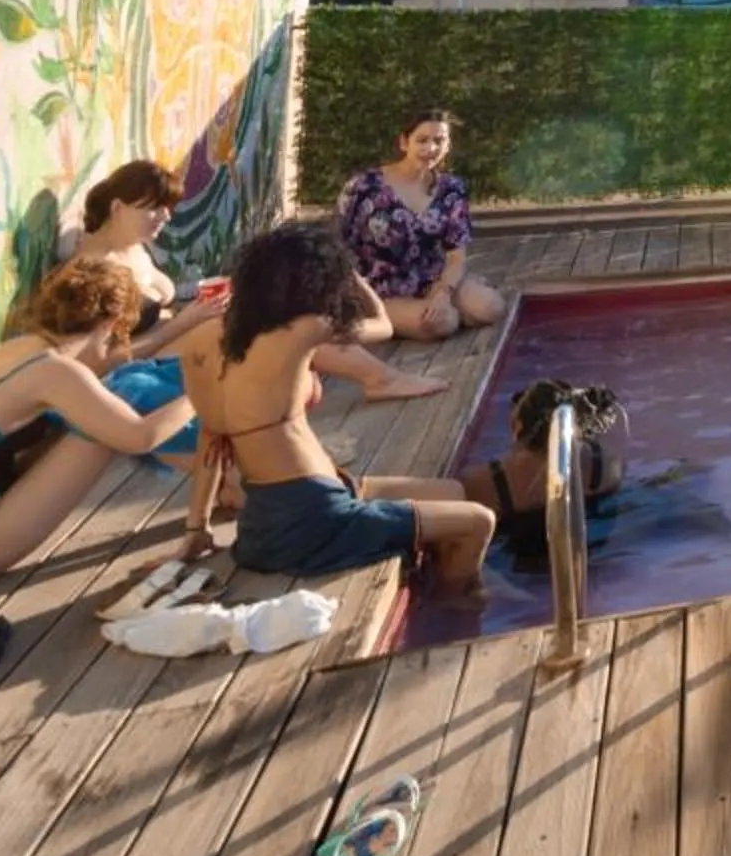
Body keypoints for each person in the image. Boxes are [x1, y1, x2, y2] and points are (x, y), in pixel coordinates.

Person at [177, 222, 492, 589]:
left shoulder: (197, 341)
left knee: (452, 492)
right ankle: (457, 604)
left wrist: (196, 528)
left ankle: (430, 564)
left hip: (263, 523)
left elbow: (211, 442)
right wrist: (352, 276)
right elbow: (382, 324)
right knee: (479, 520)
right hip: (317, 520)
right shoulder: (304, 328)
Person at [0, 261, 197, 586]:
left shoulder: (22, 349)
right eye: (118, 335)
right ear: (109, 325)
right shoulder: (57, 373)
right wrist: (197, 392)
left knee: (98, 410)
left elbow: (105, 365)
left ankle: (223, 486)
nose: (117, 345)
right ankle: (229, 486)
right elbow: (141, 437)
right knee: (116, 416)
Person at [74, 159, 444, 417]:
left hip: (182, 331)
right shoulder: (91, 270)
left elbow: (165, 296)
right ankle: (379, 376)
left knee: (278, 306)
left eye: (167, 208)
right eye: (154, 208)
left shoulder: (131, 243)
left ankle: (377, 373)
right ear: (119, 206)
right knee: (276, 324)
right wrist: (185, 321)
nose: (165, 218)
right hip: (146, 363)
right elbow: (98, 362)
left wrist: (211, 292)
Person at [337, 110, 505, 341]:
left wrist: (444, 292)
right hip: (382, 286)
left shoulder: (451, 189)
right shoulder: (364, 186)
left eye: (439, 141)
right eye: (422, 140)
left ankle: (446, 305)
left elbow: (457, 256)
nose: (431, 148)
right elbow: (338, 247)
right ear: (404, 143)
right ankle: (399, 315)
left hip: (431, 278)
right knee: (443, 323)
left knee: (491, 307)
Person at [463, 380, 629, 569]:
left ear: (517, 427)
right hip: (590, 560)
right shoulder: (607, 463)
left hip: (517, 574)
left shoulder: (481, 482)